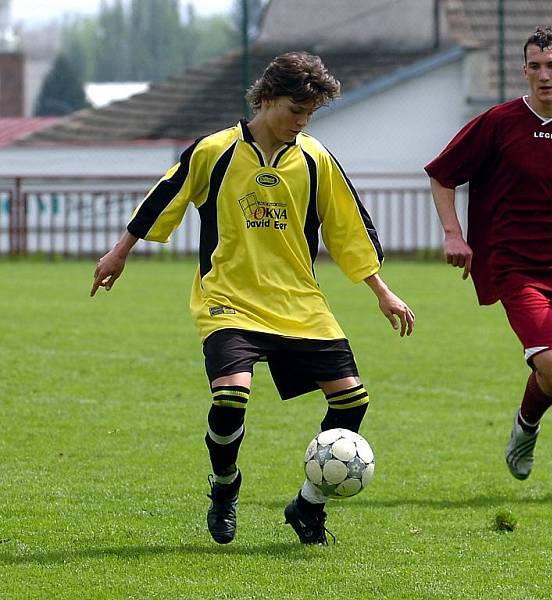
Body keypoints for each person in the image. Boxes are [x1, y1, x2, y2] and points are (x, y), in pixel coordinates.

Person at [91, 51, 415, 544]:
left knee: (352, 401)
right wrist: (120, 251)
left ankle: (309, 505)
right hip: (229, 298)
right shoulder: (214, 150)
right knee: (231, 395)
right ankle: (224, 486)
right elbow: (165, 195)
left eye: (310, 113)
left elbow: (349, 226)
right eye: (294, 110)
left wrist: (382, 292)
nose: (301, 122)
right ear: (265, 99)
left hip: (299, 302)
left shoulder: (315, 158)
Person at [424, 26, 552, 498]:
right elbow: (441, 176)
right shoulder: (498, 123)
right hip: (516, 265)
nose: (544, 75)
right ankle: (526, 426)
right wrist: (453, 234)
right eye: (535, 66)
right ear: (524, 72)